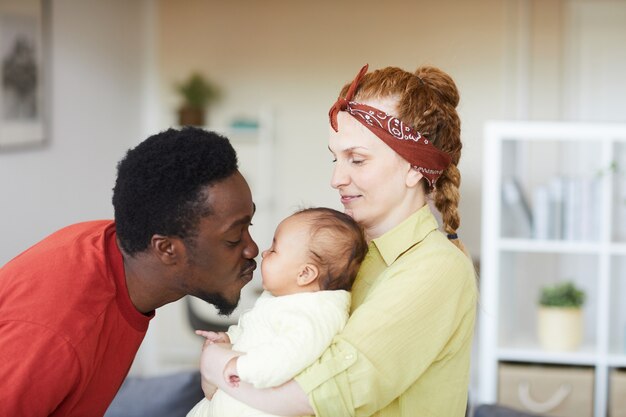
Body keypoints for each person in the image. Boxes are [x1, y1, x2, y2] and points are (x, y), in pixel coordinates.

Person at [197, 63, 478, 417]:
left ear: (413, 168)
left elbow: (314, 398)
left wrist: (215, 365)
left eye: (357, 160)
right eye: (335, 158)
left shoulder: (437, 269)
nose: (336, 178)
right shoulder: (340, 258)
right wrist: (225, 361)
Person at [0, 127, 259, 416]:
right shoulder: (58, 335)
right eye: (234, 238)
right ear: (166, 249)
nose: (253, 249)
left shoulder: (116, 246)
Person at [186, 207, 368, 417]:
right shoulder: (284, 300)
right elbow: (254, 329)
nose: (264, 253)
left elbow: (291, 352)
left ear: (305, 274)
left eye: (274, 250)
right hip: (231, 399)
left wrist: (241, 366)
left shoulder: (316, 313)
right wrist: (229, 338)